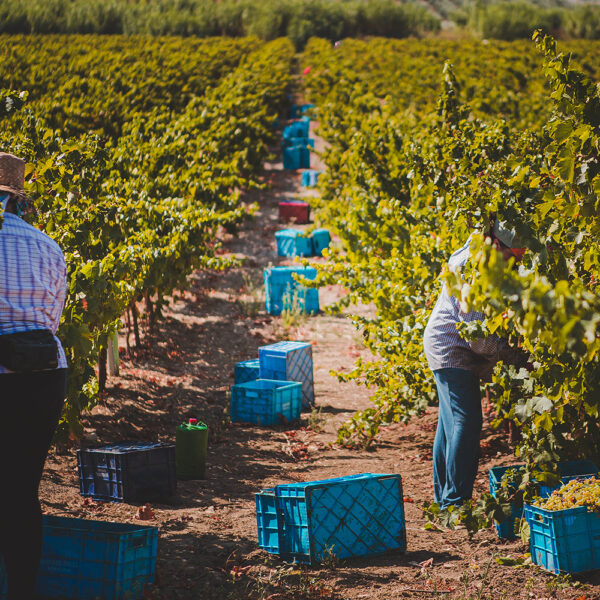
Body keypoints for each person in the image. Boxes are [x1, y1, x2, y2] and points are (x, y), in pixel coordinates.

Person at [423, 219, 529, 509]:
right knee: (465, 422)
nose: (513, 264)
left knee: (449, 425)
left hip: (443, 344)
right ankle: (455, 502)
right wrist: (515, 358)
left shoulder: (474, 250)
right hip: (452, 350)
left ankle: (444, 499)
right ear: (497, 243)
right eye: (512, 257)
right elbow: (478, 340)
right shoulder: (477, 269)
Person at [0, 152, 67, 599]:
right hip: (45, 375)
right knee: (21, 491)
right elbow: (54, 319)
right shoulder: (46, 244)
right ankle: (22, 589)